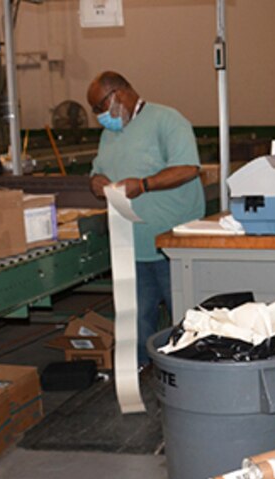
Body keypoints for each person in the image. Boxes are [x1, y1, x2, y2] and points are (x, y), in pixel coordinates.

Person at [87, 71, 205, 366]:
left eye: (101, 108)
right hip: (132, 245)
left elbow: (188, 168)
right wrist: (97, 182)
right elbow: (97, 171)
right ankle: (142, 370)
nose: (100, 117)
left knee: (184, 318)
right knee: (138, 318)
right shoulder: (110, 134)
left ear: (119, 94)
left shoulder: (167, 121)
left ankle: (188, 372)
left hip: (171, 244)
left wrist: (145, 184)